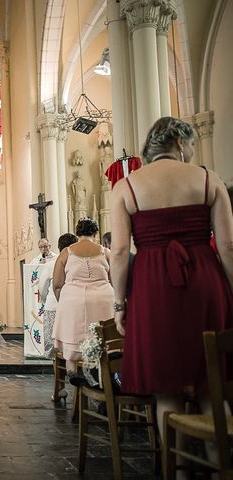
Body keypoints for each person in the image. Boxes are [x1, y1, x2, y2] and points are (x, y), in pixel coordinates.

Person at [110, 116, 233, 472]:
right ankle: (221, 466)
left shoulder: (127, 186)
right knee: (213, 386)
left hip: (153, 289)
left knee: (166, 390)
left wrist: (120, 304)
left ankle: (177, 471)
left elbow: (118, 253)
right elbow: (226, 245)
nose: (192, 151)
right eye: (191, 145)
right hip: (206, 284)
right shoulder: (209, 179)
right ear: (180, 143)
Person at [52, 218, 114, 374]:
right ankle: (104, 380)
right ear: (95, 233)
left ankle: (75, 379)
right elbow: (115, 281)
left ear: (77, 232)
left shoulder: (66, 252)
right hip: (104, 302)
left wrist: (64, 303)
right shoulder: (106, 252)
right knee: (105, 344)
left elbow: (57, 284)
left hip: (73, 303)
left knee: (72, 351)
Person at [38, 233, 78, 363]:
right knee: (71, 340)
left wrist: (46, 301)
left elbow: (42, 288)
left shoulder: (51, 264)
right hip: (74, 307)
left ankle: (56, 368)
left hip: (53, 306)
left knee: (54, 341)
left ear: (58, 246)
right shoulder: (78, 263)